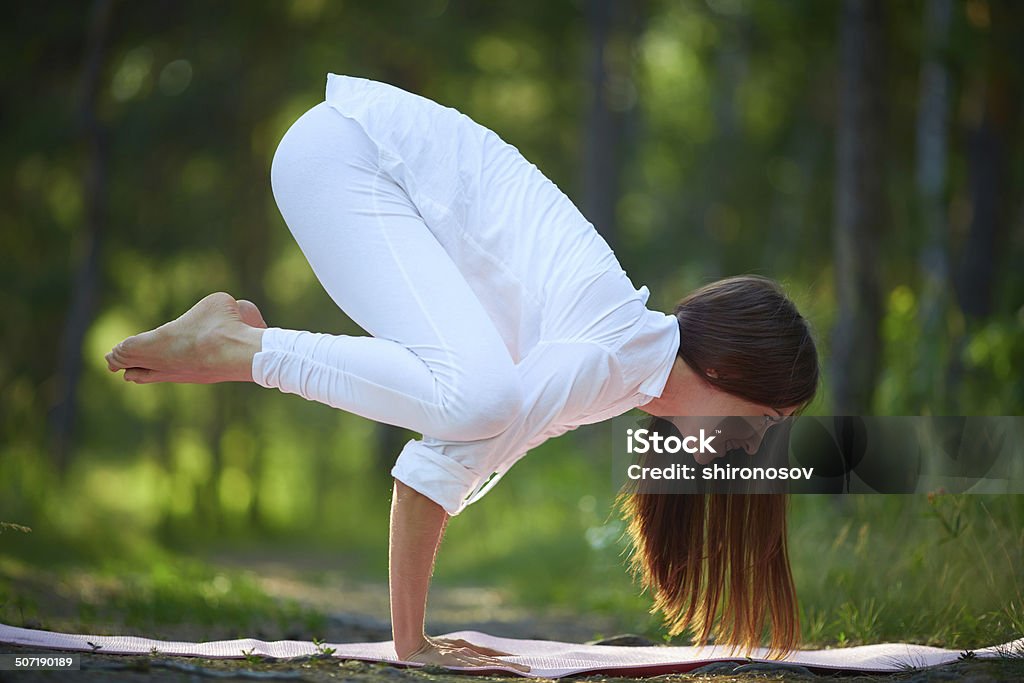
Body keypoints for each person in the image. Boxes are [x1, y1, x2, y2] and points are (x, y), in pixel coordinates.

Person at [105, 73, 819, 669]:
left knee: (478, 400)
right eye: (765, 424)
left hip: (347, 157)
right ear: (726, 369)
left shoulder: (619, 368)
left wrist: (416, 634)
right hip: (348, 156)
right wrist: (413, 645)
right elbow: (431, 475)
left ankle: (238, 344)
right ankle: (236, 346)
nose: (756, 449)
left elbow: (451, 464)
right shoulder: (612, 356)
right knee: (478, 396)